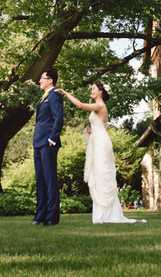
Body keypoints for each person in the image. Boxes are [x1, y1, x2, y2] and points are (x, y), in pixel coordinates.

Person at [58, 82, 146, 224]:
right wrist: (91, 131)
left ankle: (107, 214)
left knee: (103, 177)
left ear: (100, 91)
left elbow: (80, 105)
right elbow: (103, 127)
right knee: (98, 176)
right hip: (98, 142)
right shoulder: (99, 108)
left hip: (101, 145)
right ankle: (102, 214)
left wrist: (66, 94)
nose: (91, 91)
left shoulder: (100, 105)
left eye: (93, 88)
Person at [32, 69, 63, 226]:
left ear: (50, 80)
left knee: (50, 180)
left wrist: (52, 138)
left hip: (48, 143)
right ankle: (40, 215)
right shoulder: (43, 98)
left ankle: (52, 216)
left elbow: (58, 119)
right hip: (38, 143)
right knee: (40, 180)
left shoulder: (54, 96)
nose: (39, 81)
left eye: (42, 78)